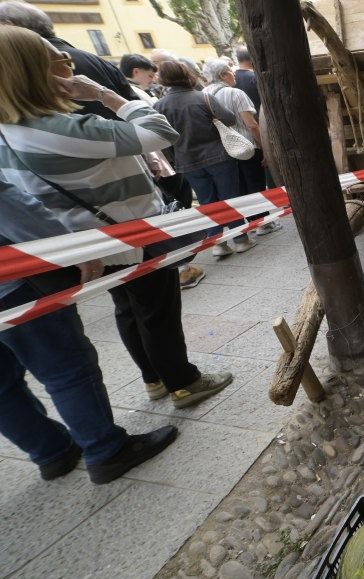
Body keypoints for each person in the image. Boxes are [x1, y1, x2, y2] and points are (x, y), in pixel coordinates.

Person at [0, 27, 233, 411]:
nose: (68, 66)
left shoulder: (9, 132)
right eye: (59, 61)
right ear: (35, 72)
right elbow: (160, 132)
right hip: (129, 236)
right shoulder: (62, 130)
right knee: (158, 310)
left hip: (91, 242)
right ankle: (184, 382)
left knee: (128, 306)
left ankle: (154, 379)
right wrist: (105, 95)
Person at [0, 177, 179, 484]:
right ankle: (107, 450)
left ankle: (52, 453)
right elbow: (14, 208)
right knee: (67, 369)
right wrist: (71, 248)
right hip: (12, 287)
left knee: (2, 385)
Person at [120, 55, 206, 289]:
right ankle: (181, 265)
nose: (153, 78)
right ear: (136, 72)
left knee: (186, 204)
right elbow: (161, 134)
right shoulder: (133, 97)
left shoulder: (156, 100)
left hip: (174, 160)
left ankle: (184, 260)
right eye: (150, 74)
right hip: (160, 165)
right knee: (174, 208)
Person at [155, 60, 256, 259]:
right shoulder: (203, 98)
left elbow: (162, 139)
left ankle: (217, 243)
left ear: (164, 79)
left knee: (207, 202)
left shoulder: (159, 106)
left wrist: (174, 160)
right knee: (230, 198)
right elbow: (230, 119)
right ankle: (240, 239)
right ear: (186, 74)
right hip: (219, 156)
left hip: (187, 161)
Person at [0, 0, 136, 119]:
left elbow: (151, 129)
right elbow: (136, 106)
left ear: (9, 26)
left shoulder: (17, 70)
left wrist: (101, 94)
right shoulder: (99, 61)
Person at [201, 60, 281, 236]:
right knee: (255, 186)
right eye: (230, 71)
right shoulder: (236, 94)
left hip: (223, 150)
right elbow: (251, 125)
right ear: (222, 75)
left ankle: (250, 224)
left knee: (240, 190)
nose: (234, 74)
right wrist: (264, 148)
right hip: (247, 147)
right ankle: (263, 224)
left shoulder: (202, 95)